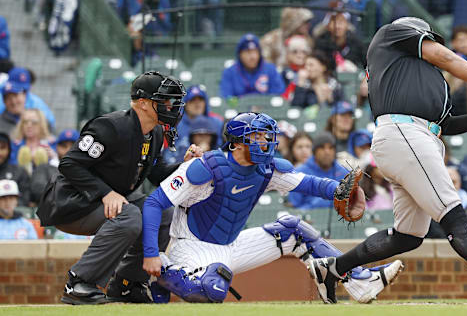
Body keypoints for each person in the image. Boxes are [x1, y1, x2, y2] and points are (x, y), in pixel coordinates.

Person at [305, 17, 467, 305]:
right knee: (456, 219)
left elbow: (446, 124)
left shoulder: (426, 80)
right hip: (405, 134)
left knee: (408, 236)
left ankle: (333, 269)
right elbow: (445, 56)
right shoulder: (392, 34)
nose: (432, 47)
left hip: (413, 139)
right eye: (429, 41)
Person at [141, 113, 403, 304]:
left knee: (294, 230)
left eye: (267, 136)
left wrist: (337, 190)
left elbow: (306, 183)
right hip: (191, 248)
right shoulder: (205, 167)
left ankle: (359, 281)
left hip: (232, 246)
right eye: (256, 136)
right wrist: (152, 254)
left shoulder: (265, 169)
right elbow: (154, 203)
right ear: (236, 142)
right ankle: (165, 272)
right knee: (213, 290)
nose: (265, 141)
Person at [36, 71, 193, 305]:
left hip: (105, 203)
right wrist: (105, 193)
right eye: (164, 101)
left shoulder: (156, 132)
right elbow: (69, 164)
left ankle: (127, 284)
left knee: (161, 212)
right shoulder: (109, 126)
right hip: (70, 203)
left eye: (172, 101)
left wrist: (185, 166)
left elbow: (157, 173)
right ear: (142, 103)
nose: (171, 107)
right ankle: (79, 283)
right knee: (129, 214)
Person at [286, 132, 348, 210]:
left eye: (331, 148)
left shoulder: (345, 173)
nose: (327, 152)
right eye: (322, 148)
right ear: (314, 151)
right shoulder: (299, 172)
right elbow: (294, 207)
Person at [219, 34, 286, 99]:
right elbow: (226, 97)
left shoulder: (270, 69)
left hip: (266, 109)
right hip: (239, 110)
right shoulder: (230, 72)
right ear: (240, 54)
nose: (253, 56)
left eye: (255, 52)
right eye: (248, 52)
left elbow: (278, 95)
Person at [29, 129, 77, 206]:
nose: (68, 150)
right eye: (64, 146)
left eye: (73, 146)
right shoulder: (44, 168)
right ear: (57, 147)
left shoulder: (86, 170)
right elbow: (39, 191)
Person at [11, 109, 58, 174]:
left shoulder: (51, 143)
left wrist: (53, 157)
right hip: (20, 180)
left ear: (41, 125)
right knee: (24, 152)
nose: (29, 125)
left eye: (34, 122)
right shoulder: (15, 145)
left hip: (45, 181)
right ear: (22, 125)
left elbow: (58, 167)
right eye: (25, 122)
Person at [0, 133, 30, 207]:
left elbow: (24, 199)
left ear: (9, 150)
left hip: (11, 216)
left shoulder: (20, 172)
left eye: (2, 148)